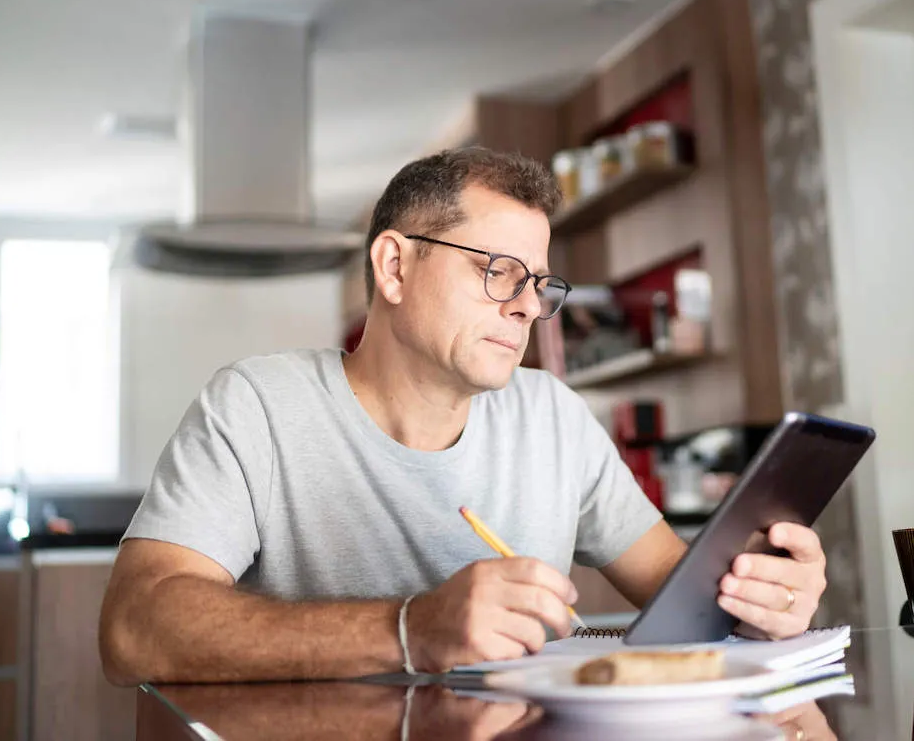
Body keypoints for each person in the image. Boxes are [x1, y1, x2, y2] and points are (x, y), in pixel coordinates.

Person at [99, 147, 828, 685]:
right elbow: (134, 628)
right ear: (394, 268)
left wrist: (759, 597)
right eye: (498, 271)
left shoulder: (553, 417)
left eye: (539, 282)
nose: (525, 305)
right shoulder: (257, 407)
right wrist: (410, 627)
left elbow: (682, 592)